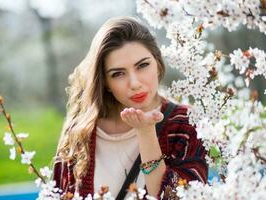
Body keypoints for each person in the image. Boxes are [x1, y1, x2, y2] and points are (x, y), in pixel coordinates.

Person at [52, 16, 208, 200]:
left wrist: (146, 133)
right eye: (118, 74)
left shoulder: (186, 123)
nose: (134, 83)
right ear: (106, 82)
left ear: (157, 63)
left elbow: (183, 197)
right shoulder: (80, 131)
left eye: (142, 65)